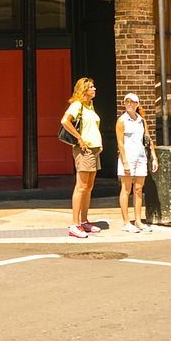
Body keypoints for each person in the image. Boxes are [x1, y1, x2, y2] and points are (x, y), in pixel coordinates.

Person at [61, 77, 102, 239]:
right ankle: (75, 224)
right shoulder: (77, 105)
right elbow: (65, 121)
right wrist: (79, 138)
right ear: (83, 90)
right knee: (81, 186)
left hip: (94, 149)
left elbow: (92, 128)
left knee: (89, 186)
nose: (94, 89)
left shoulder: (90, 105)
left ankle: (84, 221)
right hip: (84, 150)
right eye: (91, 87)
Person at [115, 92, 157, 233]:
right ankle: (126, 222)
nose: (129, 104)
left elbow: (148, 139)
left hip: (140, 157)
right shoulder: (122, 121)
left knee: (138, 189)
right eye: (127, 102)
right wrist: (125, 162)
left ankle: (138, 220)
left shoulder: (141, 120)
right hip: (128, 157)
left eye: (132, 102)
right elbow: (120, 143)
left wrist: (154, 156)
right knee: (126, 189)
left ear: (137, 104)